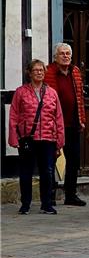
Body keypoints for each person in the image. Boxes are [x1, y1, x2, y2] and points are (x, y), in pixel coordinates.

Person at [9, 59, 64, 215]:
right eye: (36, 70)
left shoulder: (52, 93)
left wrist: (60, 142)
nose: (39, 73)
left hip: (48, 138)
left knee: (47, 171)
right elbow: (14, 115)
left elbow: (58, 117)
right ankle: (25, 204)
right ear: (29, 73)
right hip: (27, 137)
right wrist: (14, 137)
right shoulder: (21, 92)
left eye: (41, 70)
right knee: (26, 171)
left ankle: (46, 204)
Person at [44, 43, 86, 207]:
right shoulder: (49, 72)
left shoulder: (75, 71)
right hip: (53, 124)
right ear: (55, 56)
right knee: (51, 159)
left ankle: (71, 194)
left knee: (74, 161)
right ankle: (50, 194)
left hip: (73, 124)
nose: (66, 56)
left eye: (68, 53)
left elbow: (79, 98)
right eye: (62, 53)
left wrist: (82, 119)